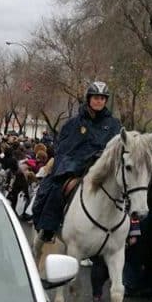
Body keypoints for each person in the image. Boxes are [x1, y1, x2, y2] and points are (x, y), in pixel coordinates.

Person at [32, 81, 122, 241]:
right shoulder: (73, 123)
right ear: (89, 99)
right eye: (96, 97)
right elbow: (65, 148)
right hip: (76, 167)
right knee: (58, 187)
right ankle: (49, 227)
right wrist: (78, 161)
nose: (99, 101)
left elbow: (117, 147)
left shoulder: (114, 124)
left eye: (102, 98)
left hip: (103, 168)